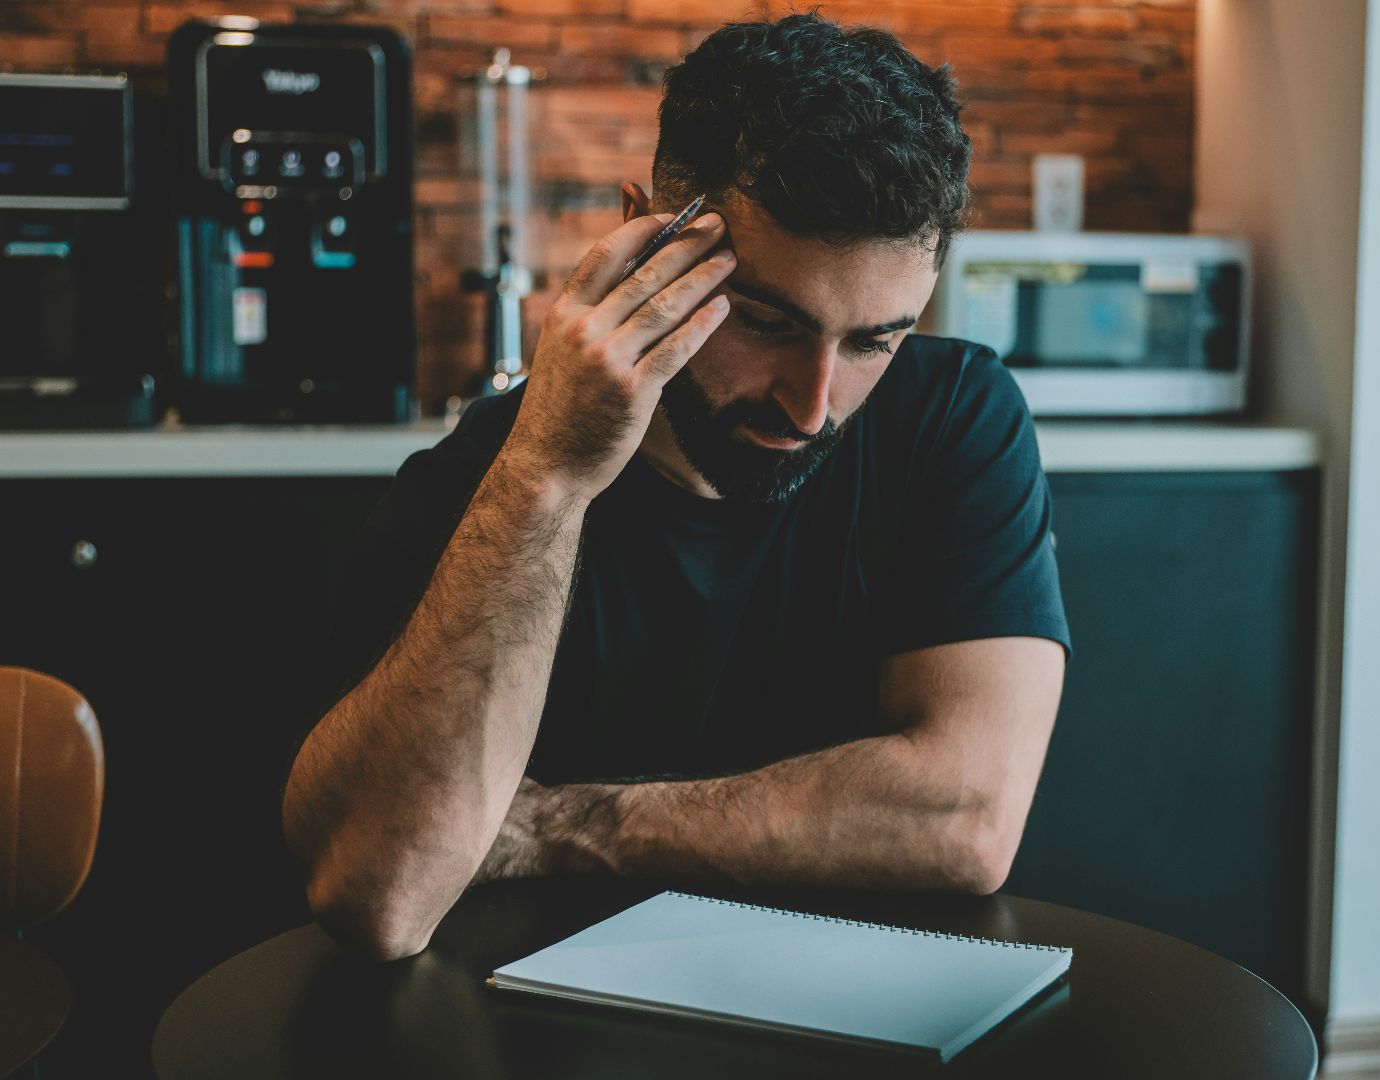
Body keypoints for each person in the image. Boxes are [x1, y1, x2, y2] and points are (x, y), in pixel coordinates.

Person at [281, 13, 1071, 962]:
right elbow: (382, 892)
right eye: (767, 320)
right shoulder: (493, 472)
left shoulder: (955, 414)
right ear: (646, 244)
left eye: (874, 342)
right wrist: (552, 477)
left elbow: (968, 820)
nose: (814, 407)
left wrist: (556, 826)